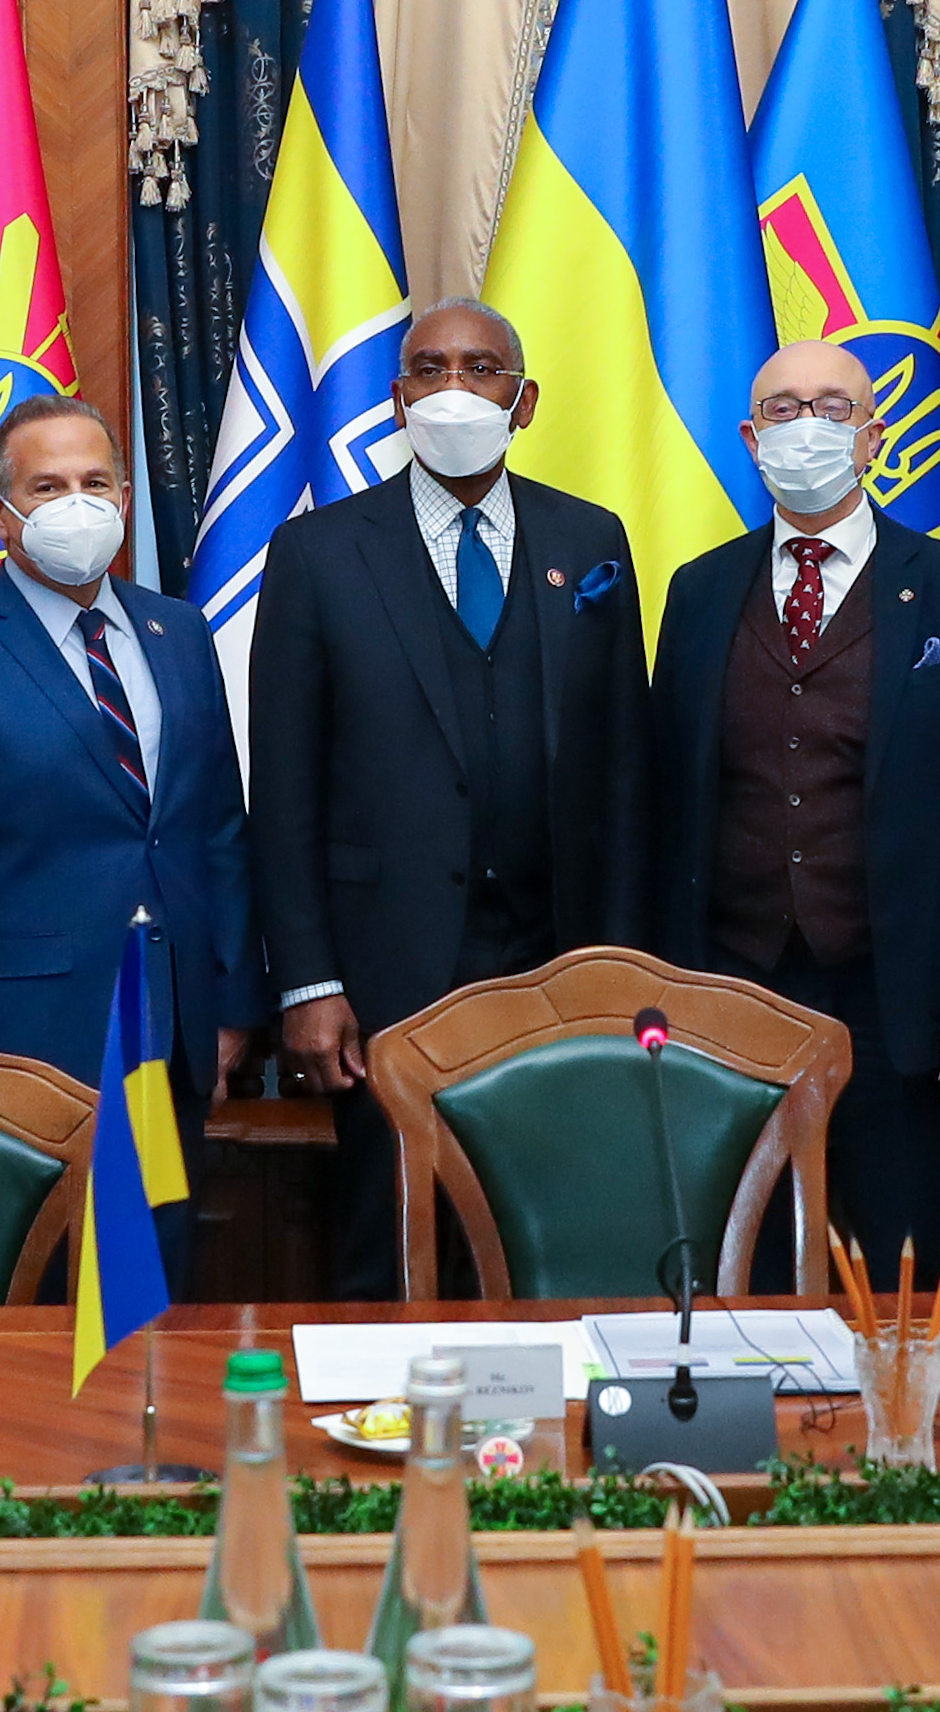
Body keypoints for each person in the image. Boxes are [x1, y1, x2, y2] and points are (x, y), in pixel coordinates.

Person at [245, 299, 648, 1294]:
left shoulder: (590, 540)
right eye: (429, 369)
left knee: (547, 1237)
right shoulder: (317, 554)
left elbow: (628, 776)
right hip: (387, 969)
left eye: (481, 368)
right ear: (395, 401)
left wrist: (628, 971)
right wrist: (307, 984)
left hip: (559, 961)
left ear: (526, 401)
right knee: (389, 1244)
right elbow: (285, 790)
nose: (455, 388)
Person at [648, 338, 940, 1281]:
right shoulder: (698, 592)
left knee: (900, 1283)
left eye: (832, 407)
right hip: (732, 993)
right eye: (783, 410)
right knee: (748, 1275)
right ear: (749, 437)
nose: (807, 427)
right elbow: (662, 802)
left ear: (873, 435)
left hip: (898, 1002)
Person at [0, 396, 261, 1101]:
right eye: (48, 487)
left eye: (94, 484)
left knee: (162, 1216)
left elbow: (218, 830)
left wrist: (233, 1005)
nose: (76, 503)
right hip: (29, 1045)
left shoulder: (179, 633)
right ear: (0, 514)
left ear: (125, 499)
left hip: (177, 1030)